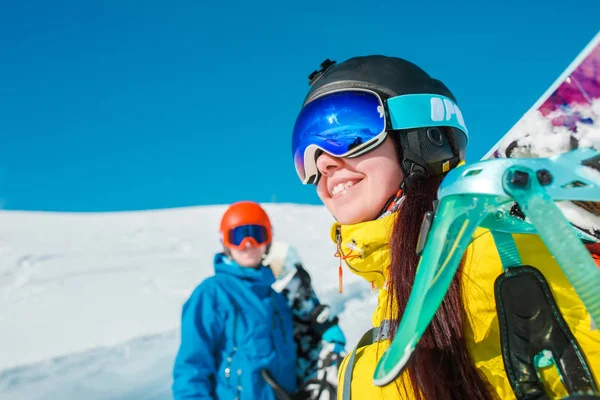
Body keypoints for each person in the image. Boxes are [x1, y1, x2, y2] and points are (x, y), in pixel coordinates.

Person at [290, 56, 600, 399]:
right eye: (306, 150)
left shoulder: (494, 246)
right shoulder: (384, 316)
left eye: (347, 134)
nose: (323, 161)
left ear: (423, 137)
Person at [172, 201, 297, 400]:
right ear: (225, 243)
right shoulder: (212, 293)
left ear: (268, 240)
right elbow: (192, 367)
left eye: (256, 234)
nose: (248, 243)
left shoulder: (277, 298)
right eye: (238, 236)